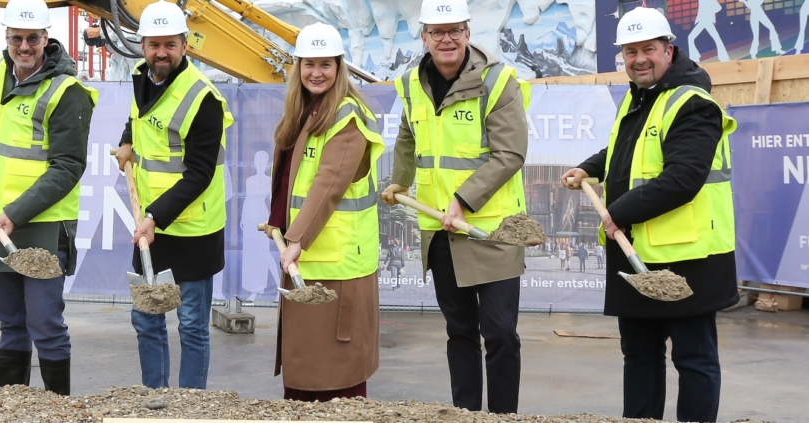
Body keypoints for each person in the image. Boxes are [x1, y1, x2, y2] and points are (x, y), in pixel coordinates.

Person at [562, 8, 738, 422]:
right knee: (639, 356)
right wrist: (590, 167)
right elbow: (625, 153)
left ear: (668, 49)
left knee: (694, 357)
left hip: (688, 256)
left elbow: (684, 177)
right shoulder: (640, 96)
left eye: (648, 49)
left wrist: (618, 213)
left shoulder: (693, 103)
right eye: (630, 51)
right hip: (639, 251)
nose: (639, 58)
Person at [379, 0, 529, 413]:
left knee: (499, 332)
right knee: (459, 330)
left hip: (493, 229)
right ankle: (466, 414)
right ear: (424, 37)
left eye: (455, 30)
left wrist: (463, 201)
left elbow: (510, 153)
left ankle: (502, 416)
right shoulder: (411, 83)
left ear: (467, 32)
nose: (447, 39)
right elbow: (408, 136)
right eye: (437, 32)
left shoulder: (498, 81)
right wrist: (400, 180)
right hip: (438, 227)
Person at [0, 0, 97, 395]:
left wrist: (15, 213)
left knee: (45, 323)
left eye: (32, 39)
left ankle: (56, 410)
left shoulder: (68, 92)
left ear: (46, 39)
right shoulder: (1, 71)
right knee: (10, 322)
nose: (24, 47)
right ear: (7, 38)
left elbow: (68, 167)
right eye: (16, 38)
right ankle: (10, 406)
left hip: (44, 227)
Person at [113, 0, 231, 390]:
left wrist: (154, 218)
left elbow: (199, 173)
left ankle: (191, 407)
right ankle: (155, 399)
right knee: (147, 319)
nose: (160, 53)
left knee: (193, 325)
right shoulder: (140, 76)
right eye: (153, 45)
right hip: (151, 226)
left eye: (169, 44)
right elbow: (138, 119)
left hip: (194, 230)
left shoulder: (204, 98)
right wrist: (127, 141)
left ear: (185, 45)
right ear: (142, 45)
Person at [265, 22, 384, 401]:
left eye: (326, 64)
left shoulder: (347, 118)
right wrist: (277, 224)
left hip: (338, 267)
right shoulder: (305, 112)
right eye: (308, 64)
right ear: (298, 67)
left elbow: (328, 185)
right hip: (306, 260)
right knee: (305, 375)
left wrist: (296, 238)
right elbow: (291, 177)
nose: (316, 73)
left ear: (340, 67)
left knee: (337, 380)